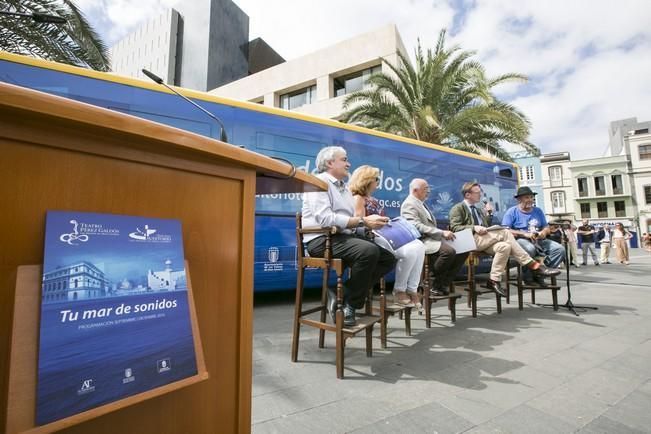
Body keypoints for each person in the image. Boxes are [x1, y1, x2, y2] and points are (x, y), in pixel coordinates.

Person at [302, 146, 396, 326]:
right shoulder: (318, 182)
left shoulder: (344, 189)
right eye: (344, 159)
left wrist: (368, 228)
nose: (349, 163)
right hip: (321, 240)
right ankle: (350, 305)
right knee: (368, 251)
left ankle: (342, 294)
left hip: (341, 238)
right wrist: (363, 221)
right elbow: (326, 219)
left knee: (388, 259)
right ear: (330, 163)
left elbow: (350, 224)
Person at [448, 181, 560, 296]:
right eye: (477, 192)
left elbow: (485, 228)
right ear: (468, 195)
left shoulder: (477, 210)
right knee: (505, 232)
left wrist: (489, 215)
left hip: (482, 241)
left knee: (505, 247)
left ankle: (493, 280)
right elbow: (455, 227)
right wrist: (474, 227)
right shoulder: (458, 208)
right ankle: (533, 265)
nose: (480, 195)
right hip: (469, 241)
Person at [349, 165, 425, 310]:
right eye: (376, 179)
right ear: (366, 180)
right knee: (409, 252)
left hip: (385, 235)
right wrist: (376, 222)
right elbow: (359, 223)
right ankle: (399, 290)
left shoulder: (373, 199)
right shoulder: (358, 198)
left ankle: (412, 289)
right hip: (374, 238)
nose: (378, 183)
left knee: (419, 245)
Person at [401, 178, 467, 296]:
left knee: (463, 250)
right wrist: (441, 233)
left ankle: (442, 283)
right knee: (448, 252)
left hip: (432, 238)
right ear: (416, 190)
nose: (429, 192)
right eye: (426, 189)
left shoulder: (421, 203)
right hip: (422, 240)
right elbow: (415, 225)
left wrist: (442, 233)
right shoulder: (409, 204)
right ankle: (431, 282)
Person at [501, 186, 564, 285]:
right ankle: (528, 277)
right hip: (520, 240)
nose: (530, 200)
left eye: (531, 197)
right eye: (527, 197)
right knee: (530, 249)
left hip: (538, 240)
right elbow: (505, 230)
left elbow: (546, 227)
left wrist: (543, 233)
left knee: (559, 249)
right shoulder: (511, 212)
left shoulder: (538, 211)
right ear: (519, 199)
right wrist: (524, 234)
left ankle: (539, 273)